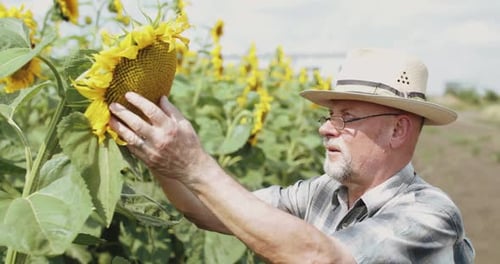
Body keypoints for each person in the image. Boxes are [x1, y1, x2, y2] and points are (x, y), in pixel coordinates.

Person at [108, 48, 475, 263]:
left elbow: (321, 257)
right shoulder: (321, 194)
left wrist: (196, 165)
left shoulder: (431, 215)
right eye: (329, 115)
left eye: (347, 117)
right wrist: (155, 150)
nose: (326, 129)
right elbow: (210, 210)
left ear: (398, 130)